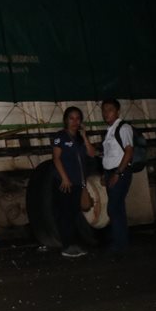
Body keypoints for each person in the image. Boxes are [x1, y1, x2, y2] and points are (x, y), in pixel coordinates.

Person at [51, 106, 97, 258]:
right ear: (66, 120)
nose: (75, 121)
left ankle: (73, 244)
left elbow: (91, 154)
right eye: (71, 118)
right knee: (65, 214)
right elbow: (56, 158)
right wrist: (64, 178)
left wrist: (84, 137)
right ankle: (66, 246)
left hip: (78, 182)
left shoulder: (79, 138)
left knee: (74, 214)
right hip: (65, 182)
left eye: (78, 118)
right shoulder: (60, 136)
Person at [100, 98, 135, 260]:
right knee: (117, 208)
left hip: (120, 172)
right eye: (104, 110)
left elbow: (128, 152)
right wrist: (105, 173)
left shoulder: (124, 128)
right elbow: (109, 155)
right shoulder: (109, 130)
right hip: (110, 172)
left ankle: (119, 244)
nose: (106, 113)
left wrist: (117, 173)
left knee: (113, 208)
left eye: (110, 110)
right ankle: (121, 242)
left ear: (118, 111)